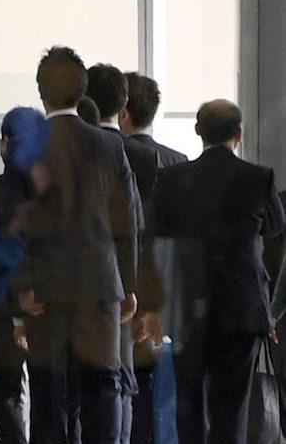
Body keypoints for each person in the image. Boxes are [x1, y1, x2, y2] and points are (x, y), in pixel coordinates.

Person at [12, 46, 140, 444]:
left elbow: (13, 229)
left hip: (45, 293)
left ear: (41, 93)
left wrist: (21, 293)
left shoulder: (26, 148)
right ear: (81, 91)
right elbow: (128, 221)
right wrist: (129, 285)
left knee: (49, 396)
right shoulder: (110, 146)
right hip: (100, 287)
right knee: (103, 388)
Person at [153, 100, 284, 444]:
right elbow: (274, 226)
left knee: (188, 405)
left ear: (198, 131)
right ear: (238, 134)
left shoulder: (170, 180)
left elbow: (154, 239)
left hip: (186, 309)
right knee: (232, 408)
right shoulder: (258, 178)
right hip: (241, 309)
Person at [118, 71, 189, 444]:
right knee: (167, 404)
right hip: (170, 301)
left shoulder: (117, 159)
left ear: (124, 112)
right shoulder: (180, 162)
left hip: (124, 299)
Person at [0, 106, 45, 444]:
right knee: (50, 394)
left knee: (3, 392)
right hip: (51, 306)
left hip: (5, 305)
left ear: (6, 142)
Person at [86, 63, 150, 443]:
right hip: (134, 286)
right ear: (123, 106)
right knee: (123, 385)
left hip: (95, 288)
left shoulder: (81, 150)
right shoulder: (159, 159)